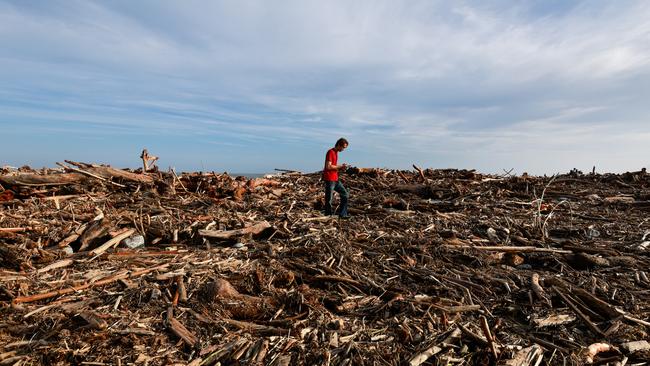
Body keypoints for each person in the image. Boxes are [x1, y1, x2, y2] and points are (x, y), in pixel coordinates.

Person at [323, 138, 349, 218]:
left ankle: (343, 214)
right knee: (329, 198)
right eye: (343, 147)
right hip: (329, 178)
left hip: (335, 178)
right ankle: (328, 215)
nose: (343, 149)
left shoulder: (336, 153)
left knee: (345, 194)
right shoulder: (330, 152)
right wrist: (340, 166)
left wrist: (341, 167)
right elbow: (328, 166)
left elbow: (333, 166)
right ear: (338, 145)